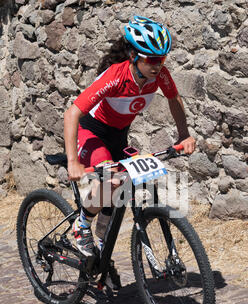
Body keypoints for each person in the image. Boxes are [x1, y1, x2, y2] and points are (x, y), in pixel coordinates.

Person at [64, 15, 196, 259]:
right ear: (134, 56)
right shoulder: (115, 76)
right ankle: (82, 225)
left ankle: (101, 241)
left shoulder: (159, 76)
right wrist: (73, 161)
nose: (158, 65)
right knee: (111, 182)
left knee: (128, 182)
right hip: (92, 132)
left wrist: (184, 135)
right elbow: (72, 113)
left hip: (118, 136)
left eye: (163, 58)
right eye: (153, 59)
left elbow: (174, 99)